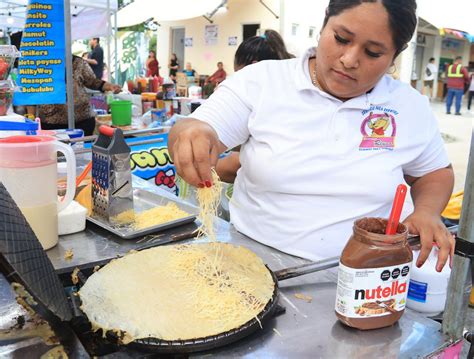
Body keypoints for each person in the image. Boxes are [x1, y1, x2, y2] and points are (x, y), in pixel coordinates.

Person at [169, 0, 454, 271]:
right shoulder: (261, 81)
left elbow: (434, 172)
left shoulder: (409, 106)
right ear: (325, 21)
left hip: (365, 277)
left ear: (395, 54)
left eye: (373, 53)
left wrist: (427, 211)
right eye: (341, 38)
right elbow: (199, 128)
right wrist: (190, 132)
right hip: (252, 264)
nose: (349, 59)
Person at [216, 29, 294, 182]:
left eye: (238, 74)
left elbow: (234, 165)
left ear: (253, 68)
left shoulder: (272, 99)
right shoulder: (286, 84)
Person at [36, 55, 121, 136]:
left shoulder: (78, 62)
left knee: (83, 150)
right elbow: (29, 91)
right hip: (50, 123)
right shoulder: (38, 63)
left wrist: (110, 86)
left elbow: (93, 82)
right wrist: (31, 119)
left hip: (82, 121)